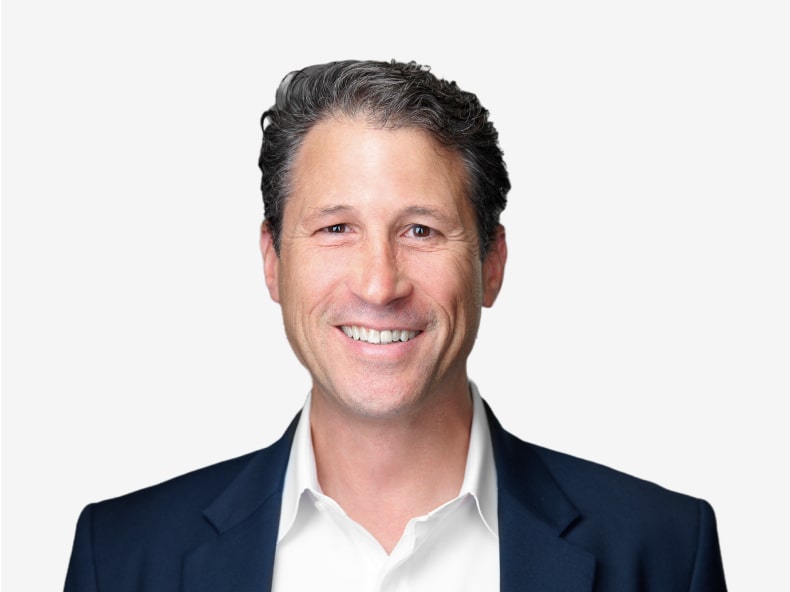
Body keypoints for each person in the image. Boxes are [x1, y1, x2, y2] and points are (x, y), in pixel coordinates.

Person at [64, 59, 727, 591]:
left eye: (419, 230)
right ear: (272, 261)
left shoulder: (663, 553)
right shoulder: (122, 557)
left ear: (491, 263)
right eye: (335, 228)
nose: (379, 284)